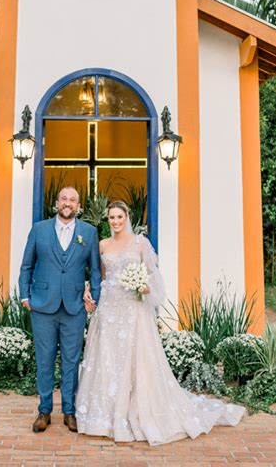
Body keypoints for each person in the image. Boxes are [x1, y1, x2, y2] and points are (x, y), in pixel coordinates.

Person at [75, 200, 245, 446]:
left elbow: (154, 278)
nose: (115, 222)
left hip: (133, 310)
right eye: (111, 218)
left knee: (135, 359)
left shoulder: (140, 243)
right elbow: (101, 276)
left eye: (119, 217)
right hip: (109, 310)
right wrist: (88, 291)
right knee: (109, 358)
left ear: (127, 217)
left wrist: (143, 287)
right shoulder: (103, 244)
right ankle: (105, 417)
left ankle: (135, 412)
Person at [18, 187, 101, 433]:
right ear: (57, 203)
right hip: (42, 305)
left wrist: (93, 297)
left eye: (73, 200)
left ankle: (69, 411)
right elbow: (26, 266)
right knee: (44, 360)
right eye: (64, 199)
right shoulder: (39, 229)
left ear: (78, 205)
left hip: (75, 306)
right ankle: (44, 411)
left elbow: (95, 270)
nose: (68, 203)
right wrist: (25, 295)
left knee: (71, 360)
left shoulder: (89, 232)